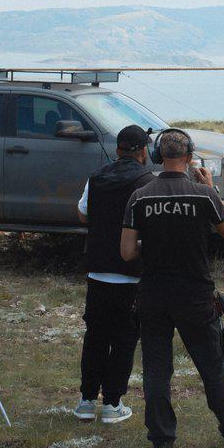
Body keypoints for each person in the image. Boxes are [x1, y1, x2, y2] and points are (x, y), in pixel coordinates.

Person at [120, 129, 224, 448]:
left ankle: (161, 442)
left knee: (156, 369)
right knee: (212, 366)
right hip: (195, 295)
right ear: (189, 158)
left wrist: (154, 243)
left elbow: (127, 252)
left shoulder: (139, 196)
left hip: (153, 295)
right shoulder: (203, 195)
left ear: (158, 156)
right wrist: (211, 189)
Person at [74, 124, 155, 425]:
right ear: (142, 151)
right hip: (131, 273)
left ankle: (85, 401)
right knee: (123, 339)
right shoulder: (146, 181)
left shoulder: (96, 177)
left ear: (118, 149)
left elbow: (82, 213)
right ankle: (112, 403)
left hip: (97, 270)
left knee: (95, 336)